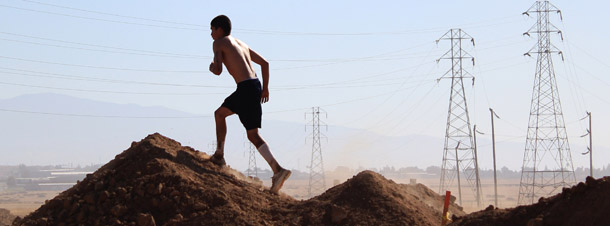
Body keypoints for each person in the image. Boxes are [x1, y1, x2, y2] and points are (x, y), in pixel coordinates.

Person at [208, 15, 291, 194]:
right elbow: (265, 64)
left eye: (212, 29)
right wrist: (266, 89)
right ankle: (278, 170)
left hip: (245, 87)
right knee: (253, 135)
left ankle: (219, 155)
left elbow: (218, 70)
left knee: (219, 114)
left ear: (220, 29)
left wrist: (212, 67)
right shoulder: (241, 43)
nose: (211, 34)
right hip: (255, 85)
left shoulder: (219, 43)